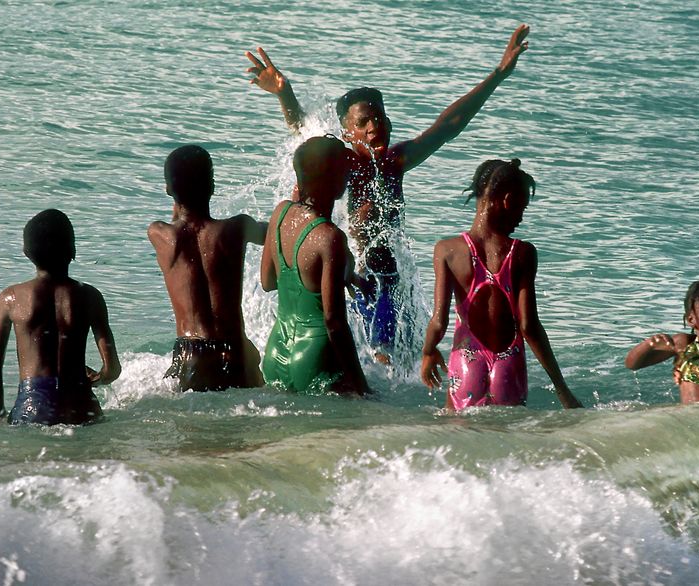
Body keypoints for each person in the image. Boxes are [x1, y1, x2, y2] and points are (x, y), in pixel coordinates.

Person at [246, 25, 532, 363]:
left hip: (392, 279)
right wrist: (284, 95)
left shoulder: (395, 161)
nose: (374, 127)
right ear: (347, 133)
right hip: (359, 276)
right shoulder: (346, 162)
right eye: (364, 122)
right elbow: (306, 136)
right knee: (375, 351)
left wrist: (498, 75)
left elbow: (447, 126)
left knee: (400, 354)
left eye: (379, 118)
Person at [420, 159, 581, 410]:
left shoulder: (447, 250)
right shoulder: (522, 253)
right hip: (509, 366)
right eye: (522, 208)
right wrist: (562, 389)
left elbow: (439, 322)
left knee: (456, 438)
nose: (521, 217)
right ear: (507, 200)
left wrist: (428, 352)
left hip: (466, 361)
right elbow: (529, 326)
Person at [0, 209, 121, 425]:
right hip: (82, 404)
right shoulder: (90, 297)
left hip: (35, 405)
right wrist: (98, 379)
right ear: (73, 249)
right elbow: (112, 369)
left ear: (26, 252)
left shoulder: (11, 298)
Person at [148, 145, 267, 392]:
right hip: (235, 351)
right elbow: (276, 232)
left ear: (169, 189)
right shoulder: (237, 228)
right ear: (212, 186)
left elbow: (179, 222)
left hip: (191, 355)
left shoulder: (160, 234)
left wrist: (177, 195)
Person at [260, 136, 369, 395]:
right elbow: (334, 322)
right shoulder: (329, 237)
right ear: (335, 182)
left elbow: (268, 282)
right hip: (314, 357)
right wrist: (362, 386)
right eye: (345, 171)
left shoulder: (280, 213)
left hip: (276, 352)